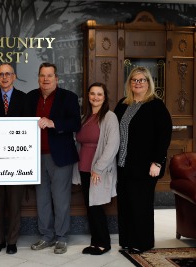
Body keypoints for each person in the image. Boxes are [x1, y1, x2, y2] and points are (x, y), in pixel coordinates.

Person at [114, 66, 172, 254]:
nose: (138, 83)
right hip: (123, 165)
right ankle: (127, 241)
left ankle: (142, 242)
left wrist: (157, 162)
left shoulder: (156, 105)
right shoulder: (123, 104)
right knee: (126, 204)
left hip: (146, 166)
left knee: (141, 205)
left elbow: (164, 136)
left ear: (148, 83)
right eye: (134, 80)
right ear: (129, 83)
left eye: (142, 80)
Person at [28, 62, 81, 254]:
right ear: (38, 78)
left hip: (59, 156)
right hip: (35, 157)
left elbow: (75, 123)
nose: (46, 79)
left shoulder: (69, 97)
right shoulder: (31, 97)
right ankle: (46, 236)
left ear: (56, 79)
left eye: (49, 75)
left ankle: (61, 237)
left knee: (60, 198)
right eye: (42, 75)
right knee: (42, 199)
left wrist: (54, 123)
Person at [0, 63, 28, 255]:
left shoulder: (24, 99)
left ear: (14, 77)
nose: (4, 77)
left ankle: (12, 241)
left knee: (15, 203)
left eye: (8, 74)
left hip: (17, 160)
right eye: (1, 74)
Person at [72, 82, 119, 255]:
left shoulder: (109, 117)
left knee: (97, 206)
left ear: (104, 97)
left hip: (98, 169)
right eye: (92, 94)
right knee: (90, 206)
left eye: (99, 94)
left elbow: (113, 145)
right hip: (84, 168)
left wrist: (98, 168)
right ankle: (95, 242)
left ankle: (103, 243)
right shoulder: (85, 116)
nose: (95, 97)